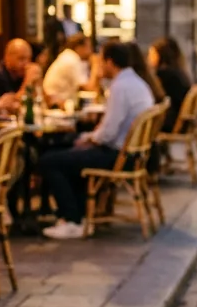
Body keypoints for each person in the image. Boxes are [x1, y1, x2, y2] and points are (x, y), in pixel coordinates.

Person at [39, 41, 154, 240]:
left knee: (50, 161)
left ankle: (73, 220)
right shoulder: (136, 83)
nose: (99, 65)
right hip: (133, 154)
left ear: (110, 62)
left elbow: (108, 133)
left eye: (101, 61)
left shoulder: (120, 87)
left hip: (118, 155)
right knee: (70, 152)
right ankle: (80, 214)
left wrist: (89, 139)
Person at [43, 33, 100, 108]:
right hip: (55, 106)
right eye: (89, 47)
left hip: (61, 104)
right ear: (79, 47)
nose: (91, 51)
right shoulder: (71, 60)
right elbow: (89, 88)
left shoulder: (70, 57)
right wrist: (96, 65)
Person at [148, 37, 191, 133]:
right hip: (182, 120)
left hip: (171, 122)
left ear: (160, 55)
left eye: (152, 54)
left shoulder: (164, 74)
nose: (149, 58)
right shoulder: (178, 71)